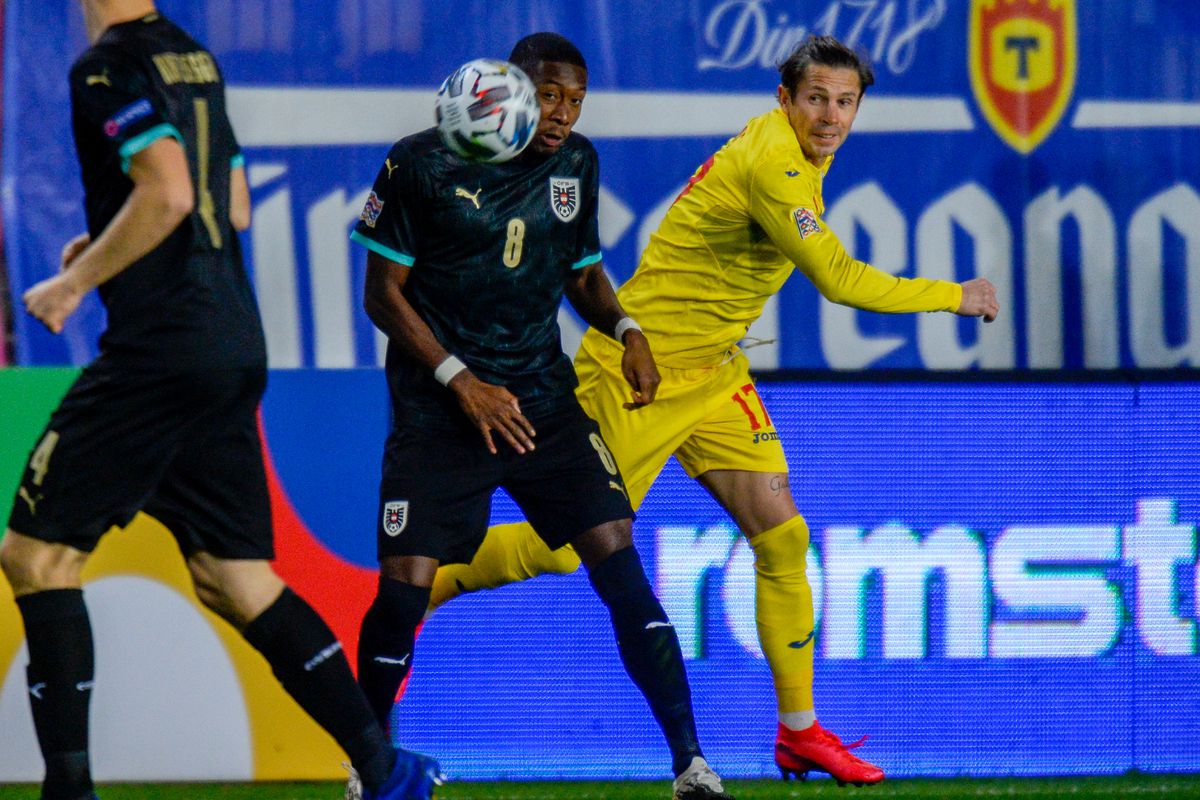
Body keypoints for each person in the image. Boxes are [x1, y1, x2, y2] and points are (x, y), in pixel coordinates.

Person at [420, 34, 1001, 786]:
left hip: (717, 373)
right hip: (644, 370)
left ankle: (798, 733)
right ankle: (409, 594)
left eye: (845, 102)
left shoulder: (801, 154)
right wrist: (955, 295)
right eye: (816, 99)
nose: (830, 116)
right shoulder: (776, 165)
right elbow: (839, 281)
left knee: (783, 538)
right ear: (783, 99)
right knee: (561, 549)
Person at [0, 3, 439, 799]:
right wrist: (104, 243)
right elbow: (228, 202)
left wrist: (78, 278)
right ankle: (386, 769)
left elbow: (167, 193)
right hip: (231, 342)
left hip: (160, 352)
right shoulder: (192, 58)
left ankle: (69, 791)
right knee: (236, 578)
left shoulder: (104, 67)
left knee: (37, 556)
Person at [349, 32, 731, 800]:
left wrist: (626, 331)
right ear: (512, 86)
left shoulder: (576, 163)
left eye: (575, 100)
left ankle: (691, 765)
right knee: (404, 583)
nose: (562, 114)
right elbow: (380, 294)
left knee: (618, 554)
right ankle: (371, 767)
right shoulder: (417, 163)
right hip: (440, 410)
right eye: (551, 95)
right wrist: (461, 380)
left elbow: (582, 273)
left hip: (541, 403)